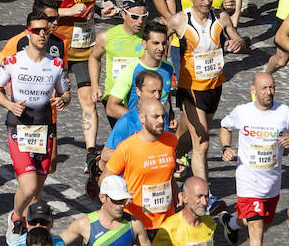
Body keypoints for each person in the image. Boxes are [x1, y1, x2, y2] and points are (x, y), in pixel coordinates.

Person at [0, 10, 70, 238]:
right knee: (29, 186)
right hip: (18, 128)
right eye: (37, 31)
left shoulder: (56, 64)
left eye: (45, 30)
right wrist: (9, 105)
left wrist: (63, 99)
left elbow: (66, 93)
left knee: (38, 188)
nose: (42, 35)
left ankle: (30, 227)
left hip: (44, 129)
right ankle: (15, 217)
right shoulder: (13, 62)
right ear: (28, 33)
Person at [168, 0, 247, 182]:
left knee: (186, 136)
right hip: (191, 87)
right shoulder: (179, 20)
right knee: (201, 143)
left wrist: (238, 44)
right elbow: (156, 42)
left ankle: (166, 160)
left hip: (215, 86)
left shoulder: (220, 16)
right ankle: (205, 192)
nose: (206, 2)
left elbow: (238, 39)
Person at [45, 0, 116, 165]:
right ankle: (44, 142)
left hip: (85, 52)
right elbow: (41, 9)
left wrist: (99, 10)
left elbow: (88, 5)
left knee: (88, 101)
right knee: (51, 101)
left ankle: (90, 152)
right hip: (59, 50)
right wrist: (66, 11)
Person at [217, 72, 289, 246]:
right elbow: (225, 126)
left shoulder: (284, 112)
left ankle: (231, 223)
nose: (269, 92)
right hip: (248, 181)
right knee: (256, 229)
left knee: (262, 225)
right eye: (264, 88)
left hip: (272, 182)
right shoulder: (243, 112)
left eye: (272, 87)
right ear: (253, 90)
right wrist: (226, 148)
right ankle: (234, 223)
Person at [103, 99, 177, 232]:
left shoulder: (171, 141)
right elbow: (104, 181)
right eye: (156, 117)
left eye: (163, 116)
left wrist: (177, 194)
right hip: (135, 224)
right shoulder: (126, 148)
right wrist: (121, 196)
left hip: (166, 223)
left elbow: (169, 176)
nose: (161, 121)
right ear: (142, 118)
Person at [89, 0, 146, 121]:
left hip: (141, 97)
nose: (140, 22)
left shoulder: (150, 36)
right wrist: (95, 85)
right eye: (135, 17)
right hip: (115, 98)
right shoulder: (106, 37)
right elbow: (94, 58)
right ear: (124, 15)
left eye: (144, 17)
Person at [106, 22, 175, 121]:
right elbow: (111, 108)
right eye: (156, 43)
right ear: (144, 44)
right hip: (139, 132)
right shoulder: (130, 70)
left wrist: (171, 115)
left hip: (163, 130)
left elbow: (165, 96)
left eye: (164, 43)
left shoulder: (168, 68)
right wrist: (141, 118)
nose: (161, 48)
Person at [59, 175, 151, 246]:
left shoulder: (135, 224)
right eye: (115, 200)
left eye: (123, 200)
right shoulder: (84, 225)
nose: (121, 205)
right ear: (102, 198)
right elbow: (54, 243)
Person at [152, 177, 216, 246]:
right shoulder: (169, 229)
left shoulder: (210, 223)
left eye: (206, 196)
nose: (204, 202)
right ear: (185, 197)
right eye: (199, 196)